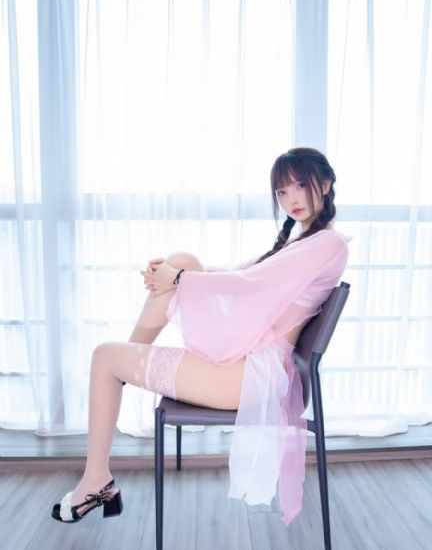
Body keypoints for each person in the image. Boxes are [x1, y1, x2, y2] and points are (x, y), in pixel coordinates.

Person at [51, 146, 351, 524]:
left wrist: (178, 280)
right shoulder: (303, 242)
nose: (291, 198)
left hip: (250, 375)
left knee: (106, 356)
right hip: (248, 364)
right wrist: (174, 275)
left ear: (325, 183)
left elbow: (250, 284)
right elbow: (239, 272)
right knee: (182, 261)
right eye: (282, 191)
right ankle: (120, 377)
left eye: (301, 186)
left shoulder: (328, 244)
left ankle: (98, 473)